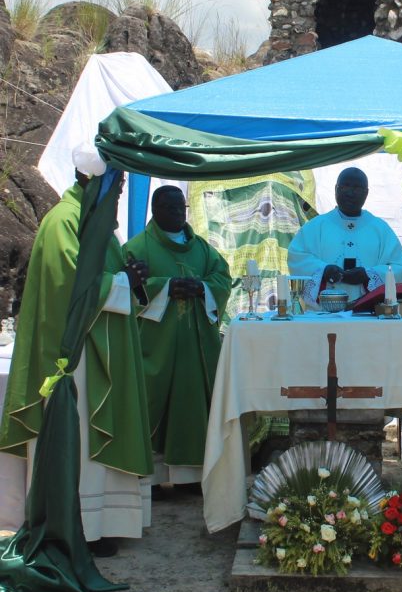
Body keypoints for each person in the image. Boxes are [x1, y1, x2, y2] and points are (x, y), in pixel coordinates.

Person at [0, 144, 153, 556]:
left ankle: (103, 522)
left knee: (94, 438)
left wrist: (130, 277)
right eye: (117, 183)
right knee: (79, 439)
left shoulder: (97, 224)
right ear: (96, 181)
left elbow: (109, 273)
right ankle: (76, 525)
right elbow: (70, 285)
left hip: (101, 346)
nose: (120, 192)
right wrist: (121, 280)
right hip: (73, 357)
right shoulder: (62, 223)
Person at [124, 185, 231, 491]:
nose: (177, 214)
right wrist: (165, 287)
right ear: (155, 211)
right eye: (169, 209)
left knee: (194, 409)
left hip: (196, 348)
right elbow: (125, 286)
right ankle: (153, 481)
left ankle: (191, 479)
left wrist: (202, 289)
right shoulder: (138, 247)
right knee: (154, 406)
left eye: (180, 209)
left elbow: (222, 278)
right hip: (156, 345)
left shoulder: (201, 248)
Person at [288, 167, 402, 309]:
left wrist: (368, 275)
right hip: (324, 314)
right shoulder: (316, 226)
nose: (350, 193)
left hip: (369, 313)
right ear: (336, 189)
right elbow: (296, 256)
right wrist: (323, 270)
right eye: (345, 186)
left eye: (357, 188)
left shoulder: (380, 229)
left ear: (366, 193)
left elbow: (399, 266)